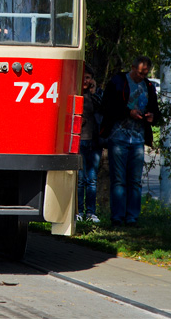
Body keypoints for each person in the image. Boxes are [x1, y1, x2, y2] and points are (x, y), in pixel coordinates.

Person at [100, 56, 161, 226]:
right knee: (119, 179)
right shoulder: (118, 82)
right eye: (140, 72)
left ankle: (132, 217)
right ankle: (117, 217)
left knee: (134, 180)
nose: (142, 76)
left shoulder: (148, 86)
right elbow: (107, 106)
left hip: (138, 139)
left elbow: (155, 111)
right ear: (132, 67)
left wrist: (151, 117)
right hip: (118, 137)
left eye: (145, 73)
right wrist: (128, 112)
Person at [75, 66, 103, 223]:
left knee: (91, 180)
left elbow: (104, 109)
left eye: (88, 78)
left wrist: (93, 94)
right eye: (84, 77)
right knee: (79, 179)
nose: (86, 81)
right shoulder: (75, 93)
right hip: (79, 141)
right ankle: (78, 211)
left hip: (94, 141)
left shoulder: (97, 95)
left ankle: (91, 212)